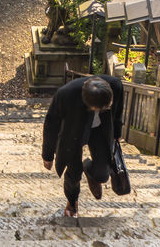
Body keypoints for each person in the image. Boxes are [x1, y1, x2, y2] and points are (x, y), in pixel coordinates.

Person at [41, 74, 124, 218]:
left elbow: (118, 113)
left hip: (101, 130)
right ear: (87, 104)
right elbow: (51, 124)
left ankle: (90, 170)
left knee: (103, 173)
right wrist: (48, 155)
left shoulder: (115, 86)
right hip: (73, 131)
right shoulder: (66, 94)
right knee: (73, 173)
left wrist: (117, 133)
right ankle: (72, 201)